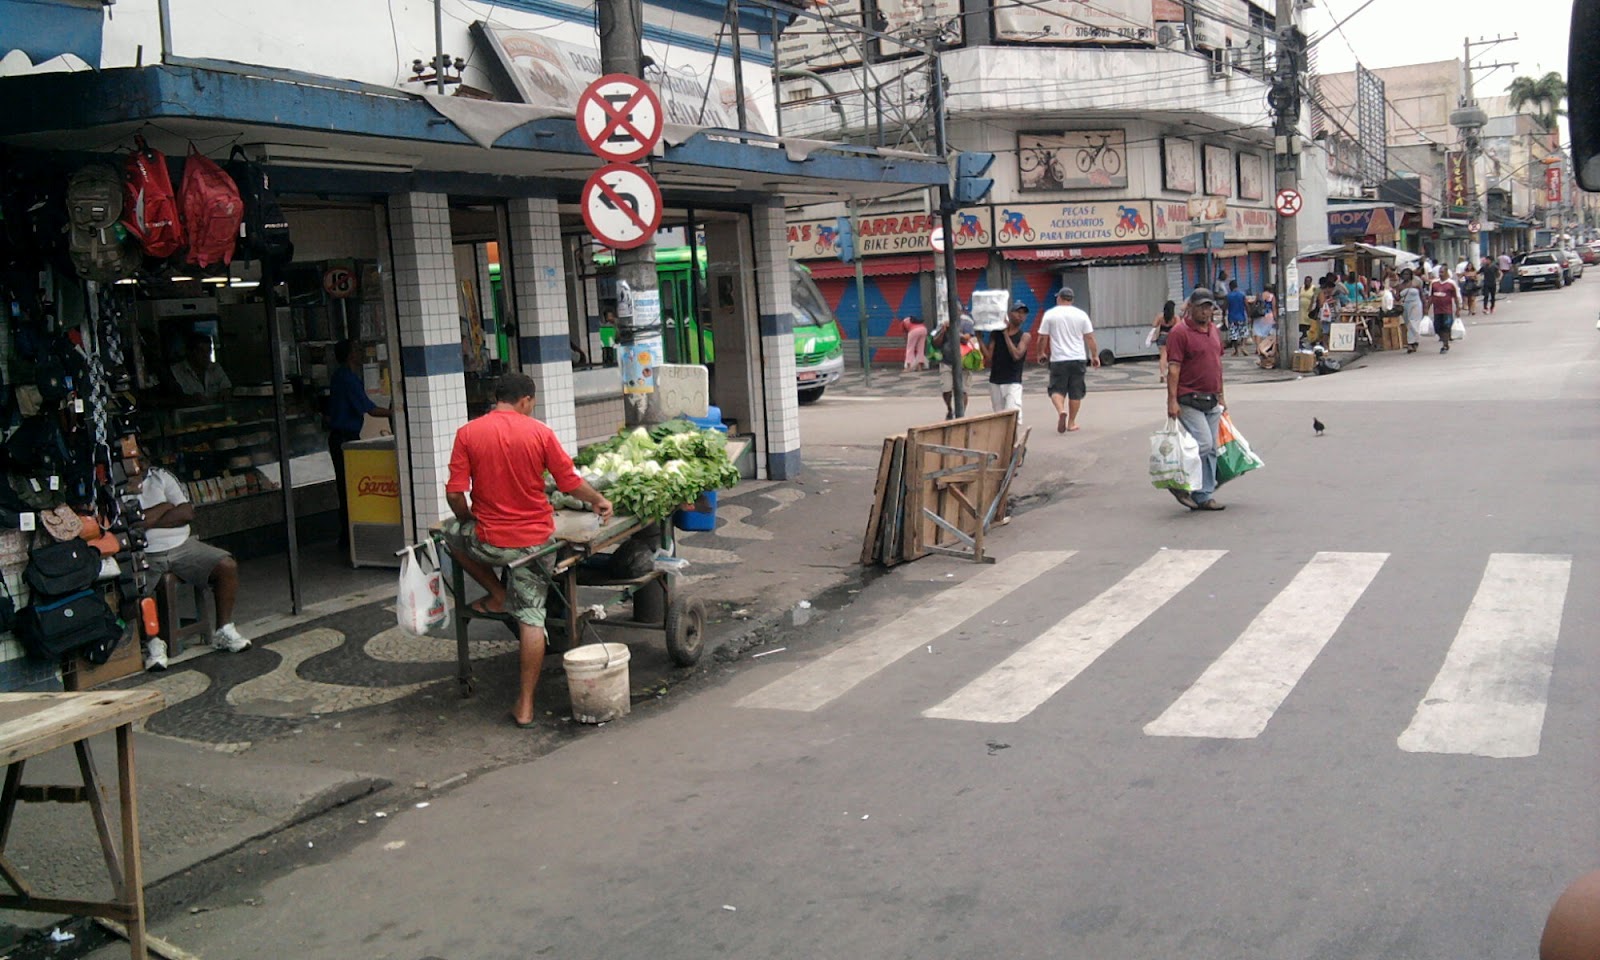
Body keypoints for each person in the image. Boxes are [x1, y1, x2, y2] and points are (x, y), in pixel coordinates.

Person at [444, 373, 613, 728]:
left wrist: (467, 520)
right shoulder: (540, 433)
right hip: (535, 544)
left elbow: (455, 493)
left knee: (452, 537)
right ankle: (525, 705)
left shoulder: (468, 433)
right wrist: (598, 500)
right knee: (531, 618)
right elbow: (569, 483)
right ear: (526, 400)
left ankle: (497, 592)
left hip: (489, 543)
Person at [135, 459, 250, 671]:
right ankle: (153, 642)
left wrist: (148, 520)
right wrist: (164, 507)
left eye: (140, 458)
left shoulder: (161, 476)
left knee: (226, 565)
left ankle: (223, 629)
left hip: (182, 546)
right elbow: (131, 525)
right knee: (140, 592)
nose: (137, 464)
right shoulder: (115, 487)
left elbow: (186, 513)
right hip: (145, 552)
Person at [328, 339, 394, 553]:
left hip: (344, 435)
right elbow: (370, 409)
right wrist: (396, 412)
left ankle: (347, 536)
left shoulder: (343, 377)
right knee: (347, 487)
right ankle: (347, 538)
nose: (361, 353)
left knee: (345, 486)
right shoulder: (347, 378)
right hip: (344, 437)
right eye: (356, 350)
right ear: (349, 355)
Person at [1165, 287, 1227, 512]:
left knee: (1211, 449)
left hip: (1210, 398)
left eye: (1209, 306)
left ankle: (1204, 495)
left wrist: (1221, 396)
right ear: (1190, 307)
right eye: (1201, 306)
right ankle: (1179, 482)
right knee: (1203, 444)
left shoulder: (1213, 331)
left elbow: (1217, 365)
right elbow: (1173, 368)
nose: (1205, 311)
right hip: (1188, 398)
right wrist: (1172, 401)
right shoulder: (1179, 333)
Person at [1036, 287, 1099, 433]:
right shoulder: (1081, 315)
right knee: (1076, 391)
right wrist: (1095, 356)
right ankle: (1071, 423)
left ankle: (1061, 411)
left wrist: (1040, 353)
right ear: (1072, 299)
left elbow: (1042, 337)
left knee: (1056, 389)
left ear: (1059, 298)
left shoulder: (1050, 315)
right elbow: (1089, 337)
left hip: (1059, 359)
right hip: (1078, 358)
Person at [982, 302, 1032, 420]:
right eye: (1018, 312)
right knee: (999, 417)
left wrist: (1006, 335)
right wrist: (979, 339)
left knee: (1012, 415)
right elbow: (989, 357)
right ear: (1010, 314)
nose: (1020, 316)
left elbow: (1016, 355)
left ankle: (1013, 438)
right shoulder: (996, 333)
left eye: (1023, 313)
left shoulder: (1024, 336)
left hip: (1012, 381)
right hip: (995, 380)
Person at [170, 332, 231, 400]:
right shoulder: (175, 371)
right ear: (190, 352)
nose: (206, 355)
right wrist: (190, 399)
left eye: (208, 351)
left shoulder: (216, 368)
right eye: (201, 351)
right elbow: (174, 398)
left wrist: (225, 392)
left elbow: (226, 387)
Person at [1429, 266, 1462, 354]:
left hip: (1447, 310)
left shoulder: (1451, 283)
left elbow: (1456, 297)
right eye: (1439, 272)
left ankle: (1445, 344)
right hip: (1437, 310)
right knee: (1437, 327)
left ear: (1447, 272)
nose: (1440, 274)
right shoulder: (1434, 283)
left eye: (1442, 272)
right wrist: (1427, 308)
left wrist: (1458, 309)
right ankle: (1444, 338)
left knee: (1446, 326)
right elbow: (1430, 296)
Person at [1149, 300, 1178, 383]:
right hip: (1171, 338)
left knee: (1163, 357)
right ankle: (1170, 373)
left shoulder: (1160, 316)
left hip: (1161, 336)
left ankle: (1162, 374)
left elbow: (1154, 324)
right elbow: (1179, 327)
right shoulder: (1175, 318)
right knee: (1171, 357)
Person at [1399, 267, 1425, 353]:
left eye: (1407, 274)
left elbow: (1422, 295)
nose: (1405, 276)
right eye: (1404, 274)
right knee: (1408, 324)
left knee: (1413, 322)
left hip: (1416, 305)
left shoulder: (1416, 284)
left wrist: (1425, 307)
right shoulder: (1400, 286)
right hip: (1406, 306)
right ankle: (1414, 341)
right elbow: (1397, 297)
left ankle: (1410, 343)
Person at [1253, 286, 1277, 368]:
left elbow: (1255, 304)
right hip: (1269, 316)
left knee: (1258, 333)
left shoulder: (1259, 295)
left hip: (1259, 316)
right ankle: (1264, 350)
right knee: (1267, 336)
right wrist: (1275, 318)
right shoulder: (1272, 296)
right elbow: (1273, 308)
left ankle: (1258, 349)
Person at [1224, 280, 1250, 356]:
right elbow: (1247, 305)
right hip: (1241, 317)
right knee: (1244, 333)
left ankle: (1236, 350)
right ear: (1237, 286)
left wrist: (1223, 315)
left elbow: (1225, 307)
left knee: (1233, 335)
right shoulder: (1242, 295)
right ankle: (1243, 346)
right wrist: (1249, 315)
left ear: (1230, 287)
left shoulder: (1228, 296)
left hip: (1232, 318)